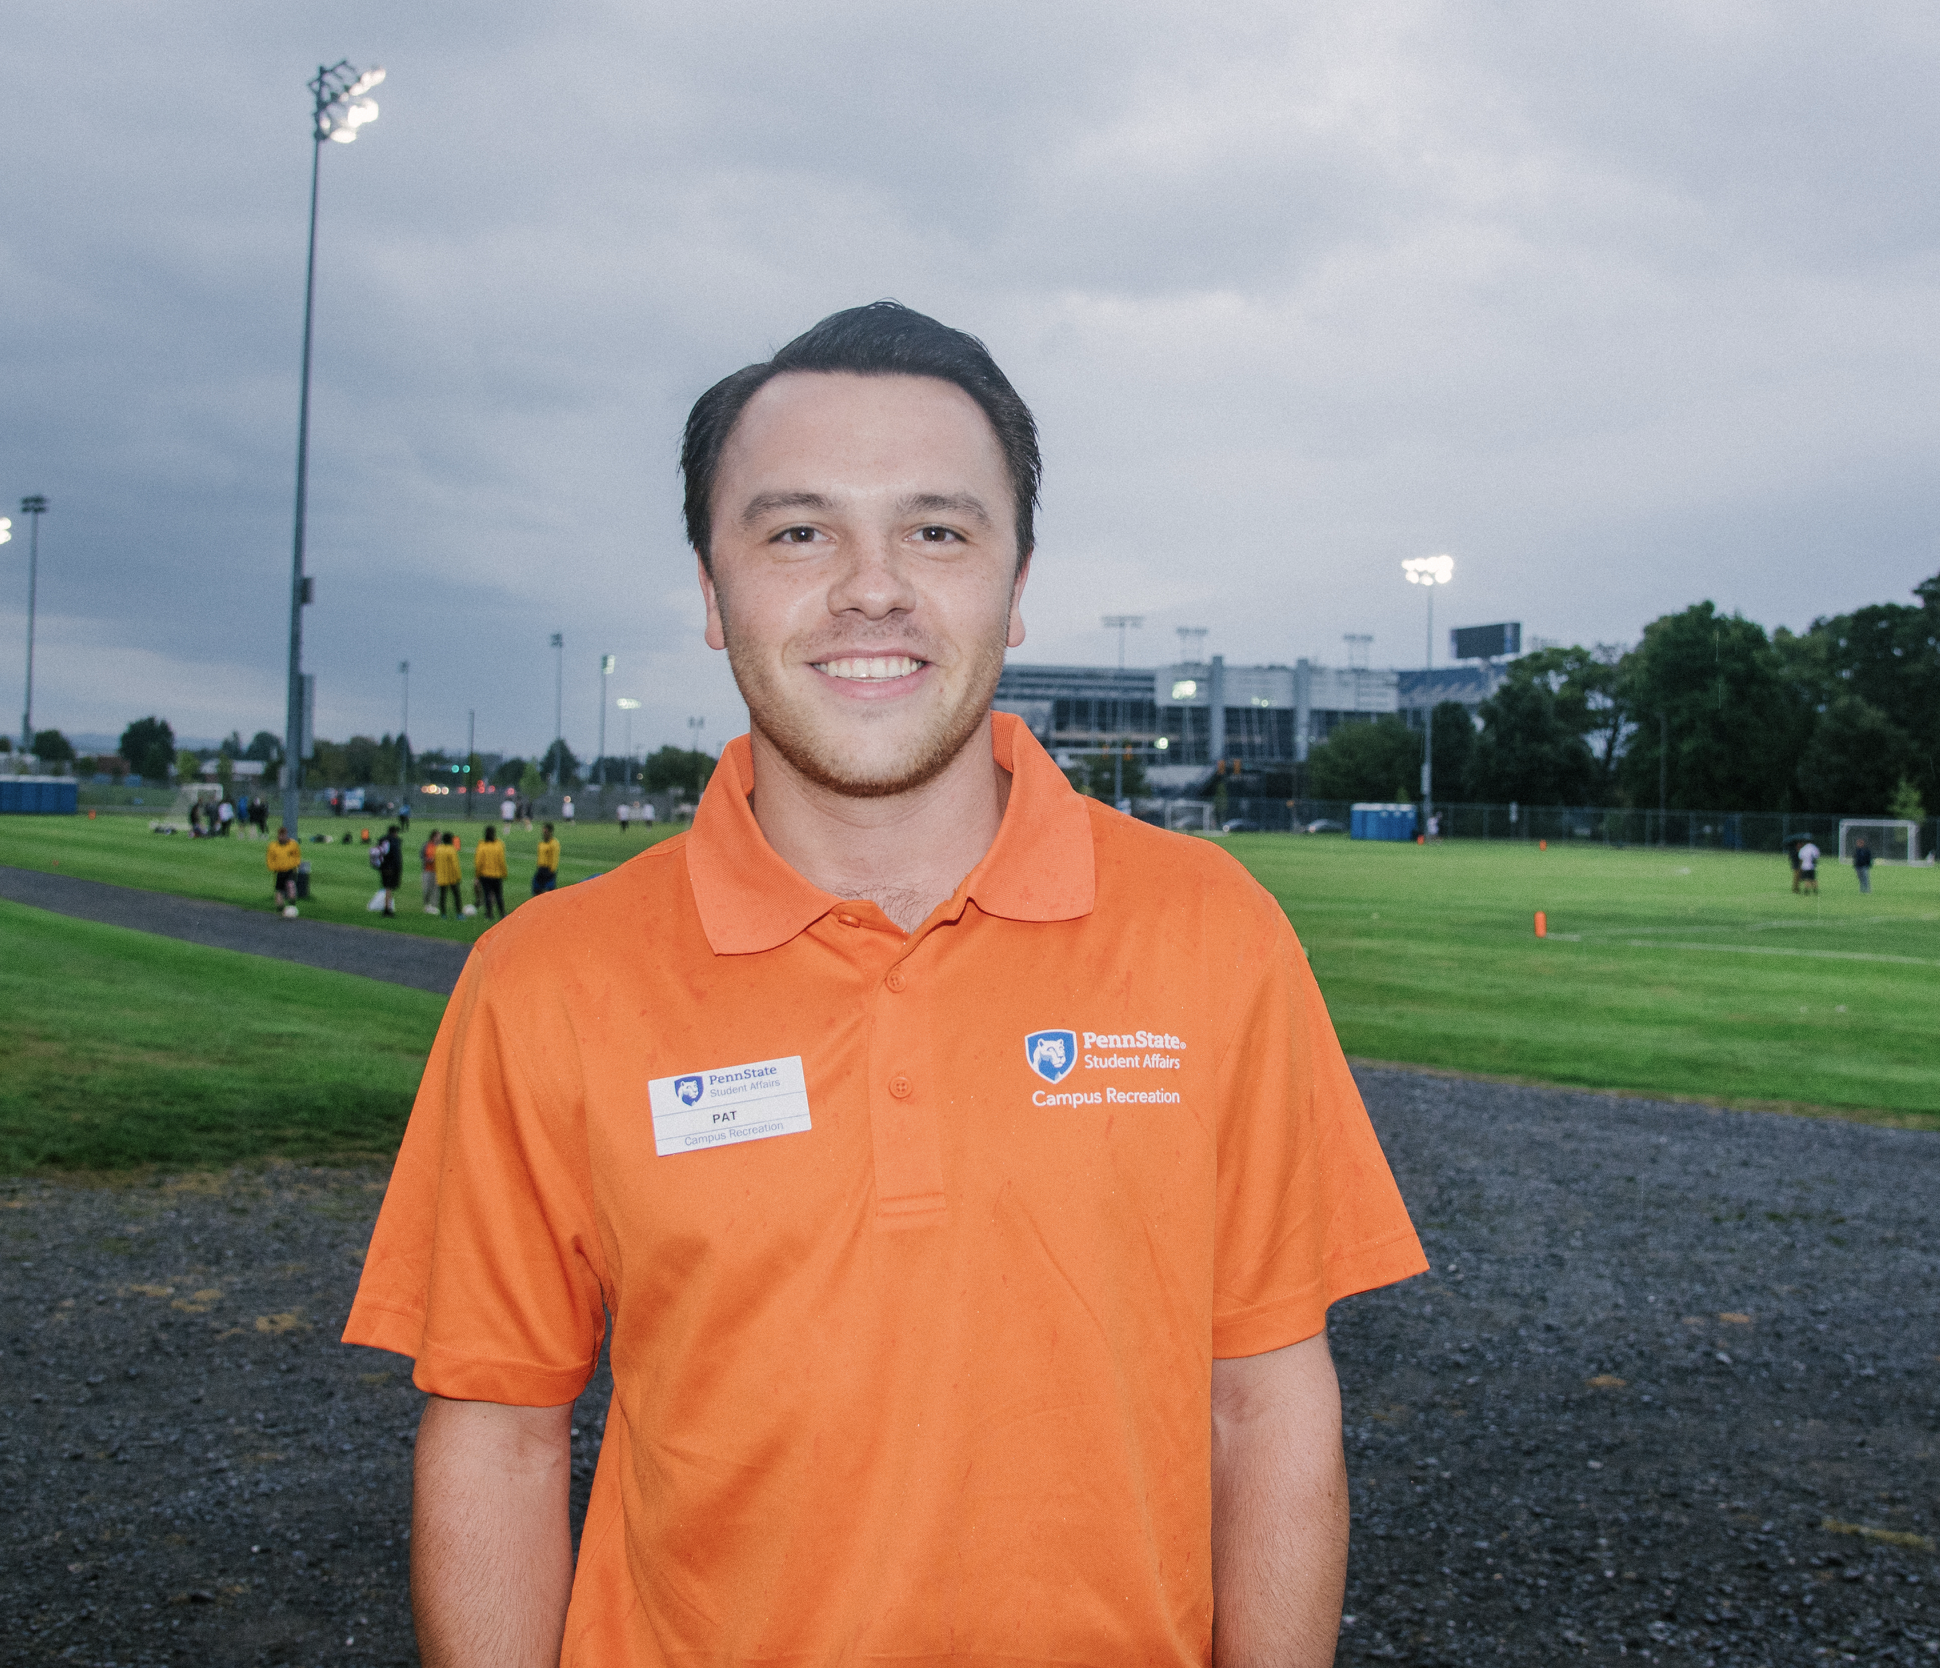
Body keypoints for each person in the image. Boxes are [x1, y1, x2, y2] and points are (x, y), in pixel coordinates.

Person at [344, 301, 1426, 1666]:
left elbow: (1263, 1407)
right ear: (708, 590)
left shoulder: (1213, 934)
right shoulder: (544, 982)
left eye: (936, 529)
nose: (871, 586)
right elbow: (498, 1439)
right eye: (798, 531)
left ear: (1016, 581)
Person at [471, 823, 508, 919]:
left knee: (487, 895)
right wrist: (504, 872)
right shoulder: (499, 845)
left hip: (485, 874)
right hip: (497, 874)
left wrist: (477, 875)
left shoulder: (482, 845)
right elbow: (501, 861)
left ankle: (489, 914)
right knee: (499, 895)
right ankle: (502, 913)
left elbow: (478, 862)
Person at [266, 825, 304, 917]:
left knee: (290, 885)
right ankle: (280, 908)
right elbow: (270, 859)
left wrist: (296, 864)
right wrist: (273, 867)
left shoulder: (292, 844)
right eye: (280, 835)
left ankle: (292, 905)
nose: (281, 837)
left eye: (283, 835)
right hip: (279, 871)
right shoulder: (273, 846)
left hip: (290, 870)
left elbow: (297, 855)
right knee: (279, 890)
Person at [433, 831, 464, 919]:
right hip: (452, 877)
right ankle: (459, 914)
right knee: (456, 896)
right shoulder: (451, 850)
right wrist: (458, 876)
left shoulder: (438, 849)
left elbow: (436, 863)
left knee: (443, 896)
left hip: (442, 876)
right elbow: (455, 865)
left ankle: (443, 914)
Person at [533, 820, 561, 893]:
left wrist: (551, 871)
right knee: (536, 889)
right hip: (541, 869)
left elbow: (555, 858)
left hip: (549, 870)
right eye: (543, 831)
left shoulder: (554, 844)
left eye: (546, 831)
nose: (544, 833)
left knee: (550, 892)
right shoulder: (541, 843)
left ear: (550, 832)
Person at [420, 829, 442, 915]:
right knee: (426, 889)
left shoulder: (441, 846)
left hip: (437, 870)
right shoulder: (427, 845)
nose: (439, 838)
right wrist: (428, 859)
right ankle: (426, 904)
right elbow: (422, 855)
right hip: (427, 870)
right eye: (438, 836)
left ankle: (434, 906)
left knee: (436, 889)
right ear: (433, 836)